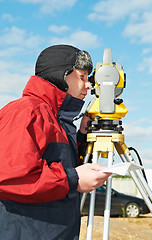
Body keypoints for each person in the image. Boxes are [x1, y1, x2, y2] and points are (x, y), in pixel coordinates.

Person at [0, 44, 110, 240]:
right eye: (82, 77)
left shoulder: (57, 119)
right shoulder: (26, 112)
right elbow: (9, 177)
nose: (89, 85)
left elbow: (57, 162)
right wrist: (73, 180)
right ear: (61, 75)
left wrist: (82, 137)